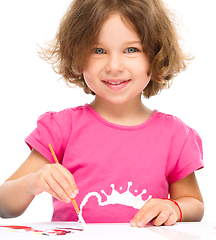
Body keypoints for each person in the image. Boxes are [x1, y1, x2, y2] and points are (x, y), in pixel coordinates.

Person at [0, 0, 204, 227]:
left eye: (131, 49)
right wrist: (32, 182)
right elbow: (4, 205)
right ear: (77, 57)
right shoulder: (60, 128)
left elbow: (194, 204)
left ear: (156, 55)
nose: (114, 66)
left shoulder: (175, 135)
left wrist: (173, 207)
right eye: (98, 50)